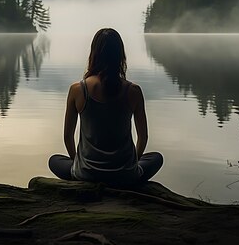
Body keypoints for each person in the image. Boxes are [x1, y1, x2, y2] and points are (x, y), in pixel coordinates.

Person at [48, 28, 163, 186]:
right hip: (125, 175)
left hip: (87, 174)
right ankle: (128, 174)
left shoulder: (77, 90)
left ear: (94, 54)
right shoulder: (133, 91)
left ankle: (81, 173)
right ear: (120, 55)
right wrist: (132, 165)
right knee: (156, 158)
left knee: (54, 160)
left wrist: (77, 164)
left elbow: (67, 136)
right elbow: (143, 137)